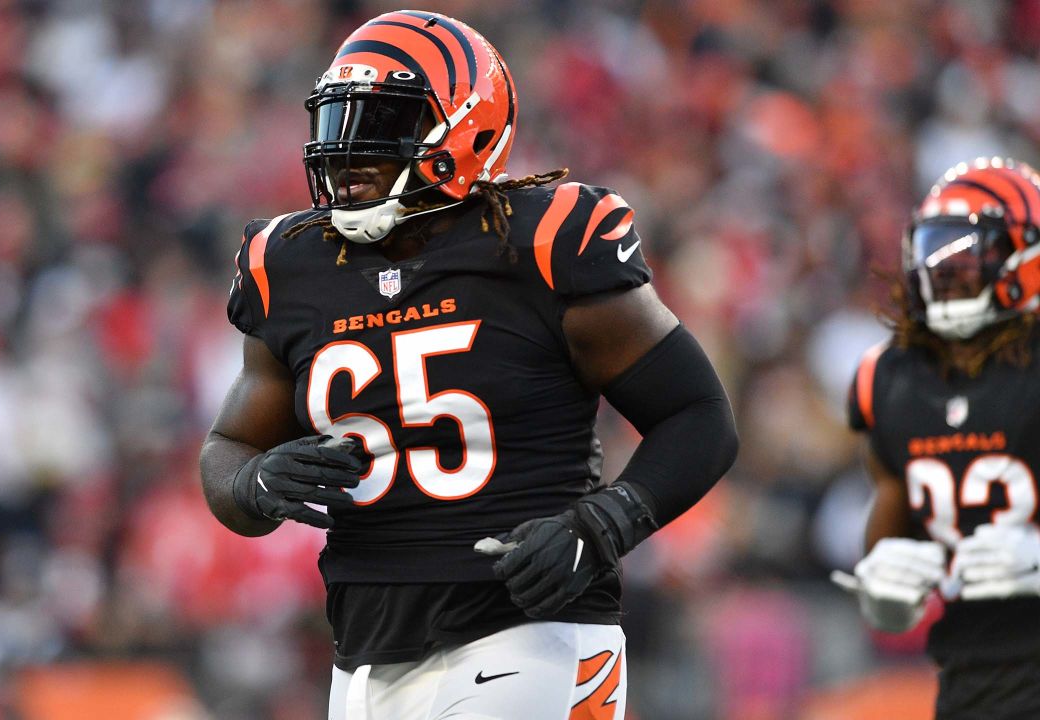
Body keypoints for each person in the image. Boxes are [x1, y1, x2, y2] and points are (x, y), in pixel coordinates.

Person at [199, 11, 738, 719]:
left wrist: (604, 523)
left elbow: (699, 417)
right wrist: (254, 481)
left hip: (530, 628)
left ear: (464, 131)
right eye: (339, 122)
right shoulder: (288, 268)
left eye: (381, 124)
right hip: (363, 650)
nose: (348, 153)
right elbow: (227, 448)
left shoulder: (543, 246)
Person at [835, 157, 1040, 719]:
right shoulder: (890, 379)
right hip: (969, 684)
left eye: (971, 252)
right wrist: (883, 592)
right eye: (935, 250)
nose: (946, 270)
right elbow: (889, 533)